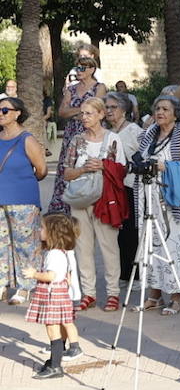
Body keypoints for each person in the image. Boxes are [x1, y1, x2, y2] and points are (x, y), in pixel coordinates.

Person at [62, 97, 125, 312]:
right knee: (83, 248)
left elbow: (122, 171)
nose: (84, 117)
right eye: (82, 113)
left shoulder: (112, 139)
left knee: (109, 247)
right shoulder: (76, 140)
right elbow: (66, 172)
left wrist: (104, 166)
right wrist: (84, 170)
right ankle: (88, 293)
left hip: (104, 199)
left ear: (100, 114)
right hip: (79, 199)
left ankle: (113, 293)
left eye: (89, 113)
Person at [135, 96, 180, 315]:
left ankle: (177, 298)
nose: (160, 112)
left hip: (171, 200)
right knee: (150, 245)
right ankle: (154, 295)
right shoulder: (150, 133)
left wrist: (164, 166)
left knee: (173, 247)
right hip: (148, 198)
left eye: (165, 109)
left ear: (176, 113)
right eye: (157, 108)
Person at [24, 214, 85, 379]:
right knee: (54, 329)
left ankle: (56, 366)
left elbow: (51, 276)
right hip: (56, 295)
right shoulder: (59, 252)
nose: (40, 230)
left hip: (53, 296)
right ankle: (54, 362)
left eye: (43, 227)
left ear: (53, 233)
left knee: (53, 330)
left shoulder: (55, 255)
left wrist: (34, 274)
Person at [0, 96, 47, 306]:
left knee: (25, 244)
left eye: (5, 111)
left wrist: (21, 182)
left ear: (18, 113)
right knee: (2, 245)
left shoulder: (27, 139)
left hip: (23, 200)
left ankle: (25, 287)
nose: (1, 114)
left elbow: (42, 170)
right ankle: (3, 284)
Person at [48, 55, 107, 214]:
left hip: (91, 133)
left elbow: (95, 109)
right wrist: (81, 111)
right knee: (67, 167)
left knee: (88, 167)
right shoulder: (71, 89)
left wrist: (76, 112)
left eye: (82, 68)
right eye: (77, 68)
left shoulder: (99, 87)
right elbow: (61, 111)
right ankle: (63, 209)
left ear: (91, 69)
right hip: (71, 134)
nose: (78, 71)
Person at [103, 93, 142, 288]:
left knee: (131, 231)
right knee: (118, 231)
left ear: (124, 110)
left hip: (132, 186)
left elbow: (142, 155)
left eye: (113, 107)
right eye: (107, 107)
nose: (109, 111)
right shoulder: (106, 132)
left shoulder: (133, 130)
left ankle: (135, 275)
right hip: (114, 188)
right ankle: (124, 273)